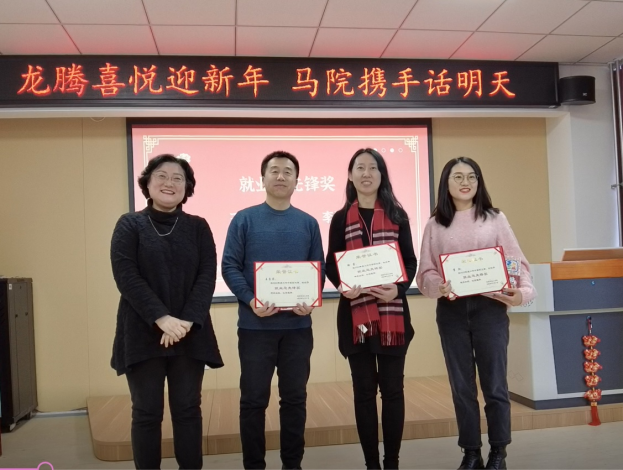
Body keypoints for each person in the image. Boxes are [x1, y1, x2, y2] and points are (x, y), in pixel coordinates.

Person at [416, 157, 536, 470]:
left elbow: (516, 263)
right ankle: (471, 452)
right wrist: (438, 285)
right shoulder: (435, 224)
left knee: (495, 385)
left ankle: (499, 452)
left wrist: (522, 292)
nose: (465, 182)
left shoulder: (495, 218)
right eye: (457, 177)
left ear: (479, 182)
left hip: (490, 309)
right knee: (462, 387)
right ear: (446, 183)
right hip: (452, 311)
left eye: (471, 176)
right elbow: (425, 271)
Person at [110, 154, 223, 470]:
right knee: (146, 413)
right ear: (147, 183)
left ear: (187, 187)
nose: (169, 183)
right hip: (143, 332)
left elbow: (207, 276)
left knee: (188, 410)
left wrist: (184, 321)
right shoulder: (129, 224)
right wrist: (162, 318)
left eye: (177, 178)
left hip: (189, 334)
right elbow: (126, 276)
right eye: (161, 175)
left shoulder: (198, 227)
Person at [221, 150, 325, 470]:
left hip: (297, 329)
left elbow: (318, 269)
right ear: (262, 178)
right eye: (274, 171)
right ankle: (254, 465)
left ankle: (292, 464)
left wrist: (310, 299)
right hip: (255, 328)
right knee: (253, 400)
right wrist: (251, 300)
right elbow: (229, 266)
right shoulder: (244, 219)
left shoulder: (308, 223)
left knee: (294, 399)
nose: (281, 176)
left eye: (288, 171)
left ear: (297, 181)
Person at [325, 148, 418, 470]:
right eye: (360, 168)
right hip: (356, 318)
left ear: (382, 175)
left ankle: (391, 462)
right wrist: (343, 285)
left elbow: (410, 261)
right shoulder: (340, 219)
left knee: (392, 391)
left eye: (373, 167)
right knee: (364, 392)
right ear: (350, 175)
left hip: (392, 316)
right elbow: (332, 264)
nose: (366, 173)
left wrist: (399, 288)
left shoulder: (397, 215)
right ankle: (371, 465)